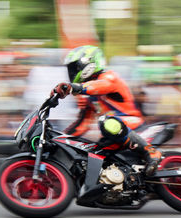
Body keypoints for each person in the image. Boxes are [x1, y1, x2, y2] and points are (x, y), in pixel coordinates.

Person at [50, 45, 161, 176]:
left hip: (132, 123)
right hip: (113, 133)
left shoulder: (109, 77)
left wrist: (74, 87)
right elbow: (82, 125)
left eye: (74, 67)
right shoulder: (90, 97)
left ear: (88, 64)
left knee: (105, 120)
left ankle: (151, 152)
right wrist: (59, 139)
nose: (72, 72)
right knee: (91, 154)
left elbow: (101, 86)